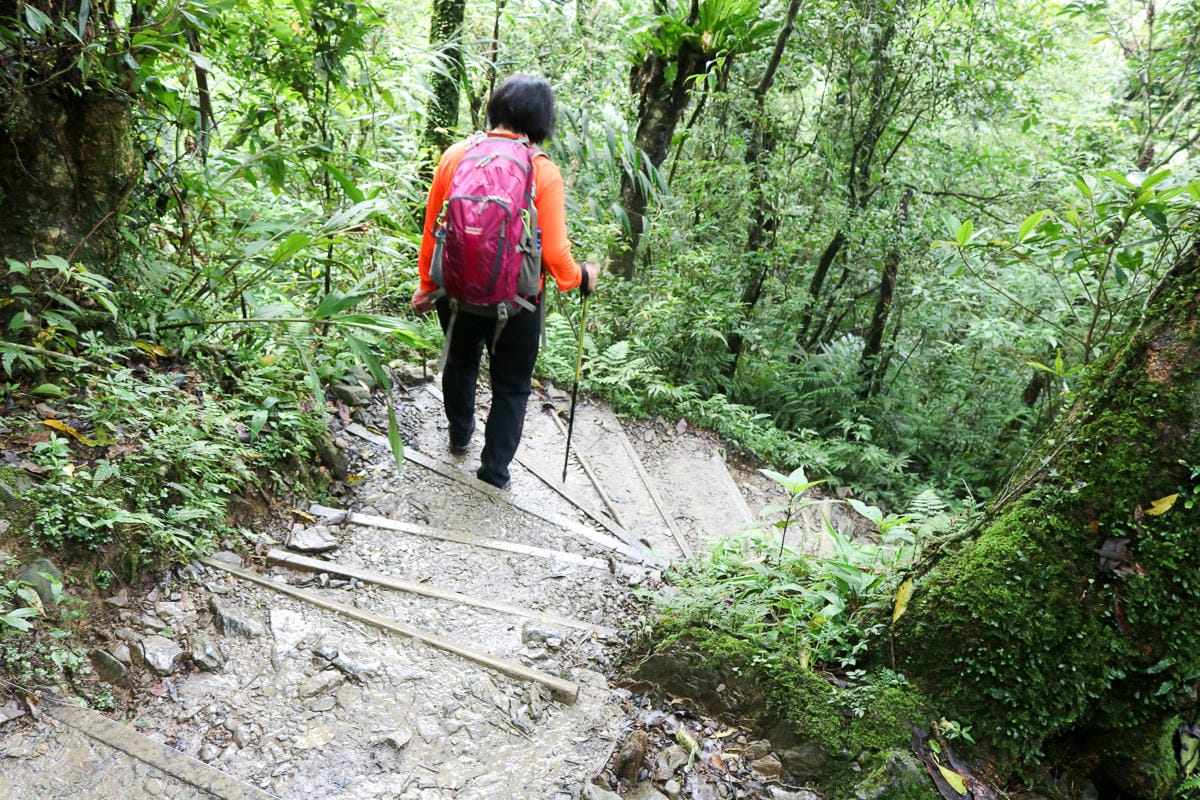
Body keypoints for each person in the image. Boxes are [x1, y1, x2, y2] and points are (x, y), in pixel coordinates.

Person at [412, 74, 601, 490]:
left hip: (456, 293)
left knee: (460, 364)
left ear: (495, 109)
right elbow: (554, 255)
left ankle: (460, 435)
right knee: (511, 386)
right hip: (518, 302)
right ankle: (494, 473)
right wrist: (581, 276)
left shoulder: (456, 155)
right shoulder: (542, 171)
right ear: (542, 121)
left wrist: (427, 283)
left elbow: (433, 229)